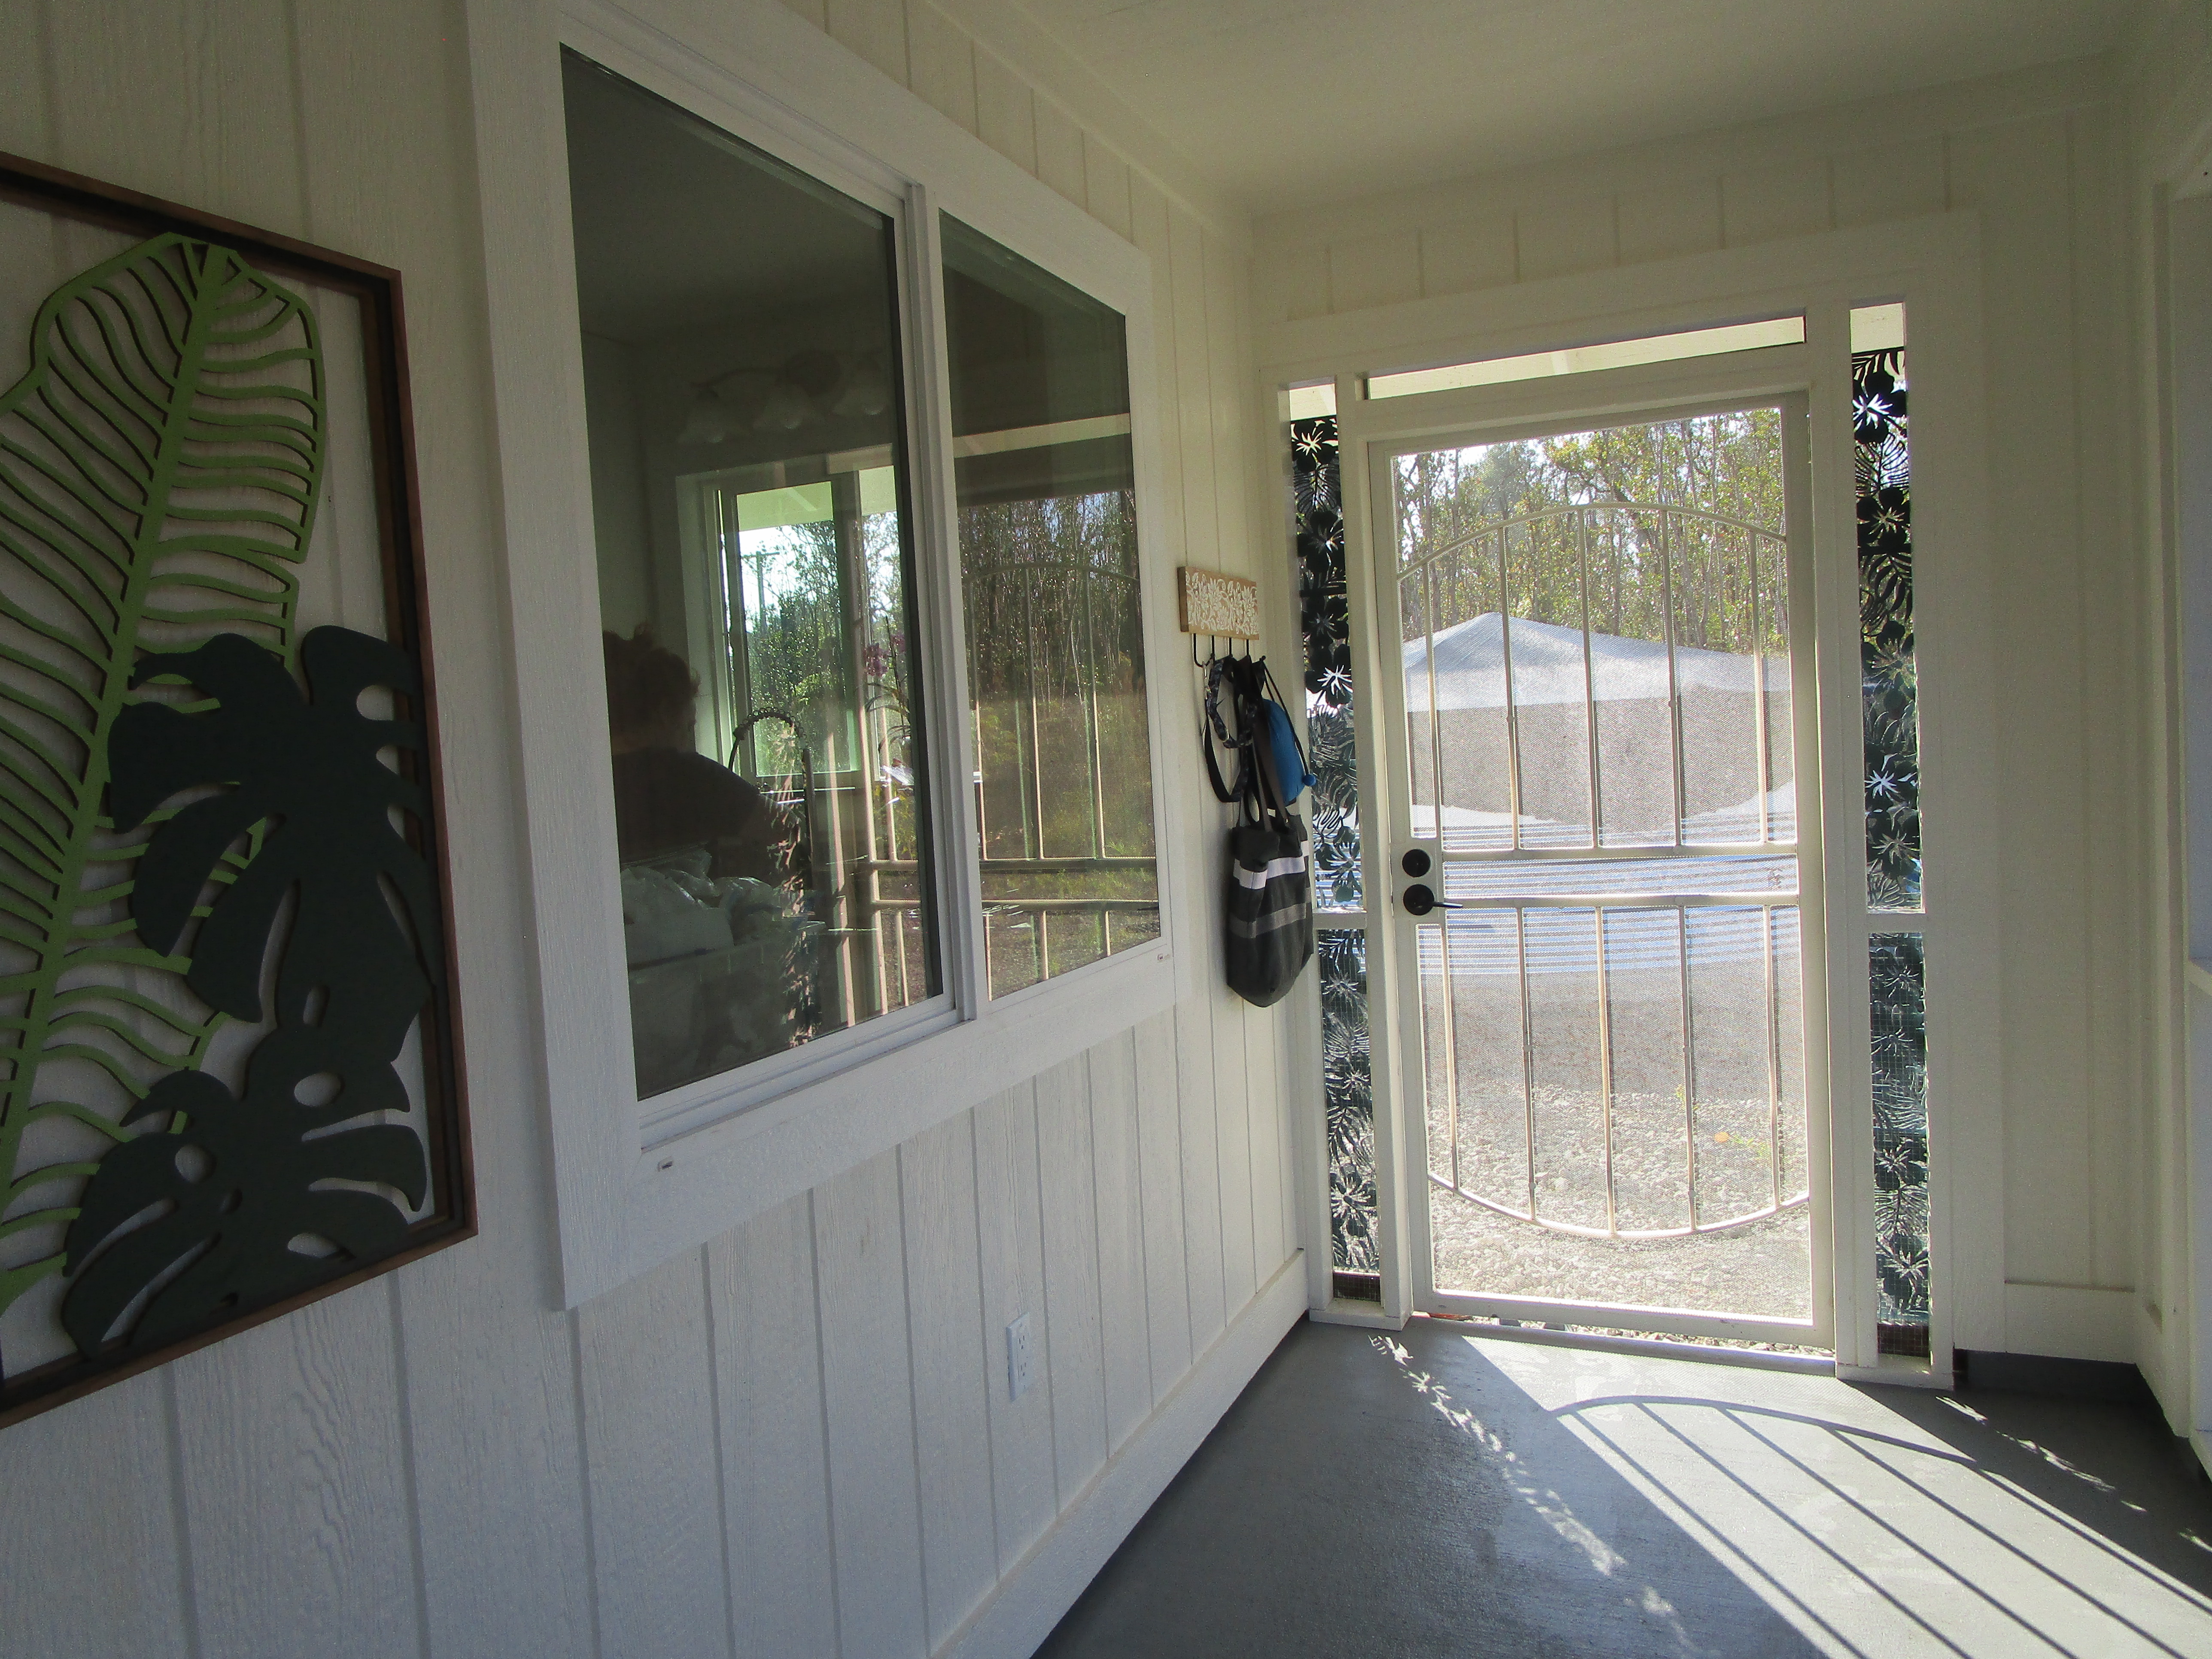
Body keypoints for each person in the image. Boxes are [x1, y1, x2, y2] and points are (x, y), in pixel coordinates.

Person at [602, 626, 787, 883]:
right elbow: (786, 828)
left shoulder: (592, 780)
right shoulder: (688, 777)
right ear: (666, 714)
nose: (689, 739)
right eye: (689, 728)